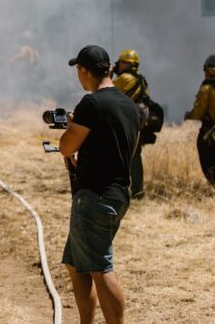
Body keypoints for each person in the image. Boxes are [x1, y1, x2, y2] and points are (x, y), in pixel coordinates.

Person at [59, 44, 140, 324]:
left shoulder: (90, 104)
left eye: (78, 71)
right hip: (117, 194)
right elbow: (126, 151)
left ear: (84, 71)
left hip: (95, 197)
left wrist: (71, 127)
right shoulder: (129, 106)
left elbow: (66, 146)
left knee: (100, 268)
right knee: (75, 263)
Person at [183, 54, 215, 186]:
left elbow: (198, 112)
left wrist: (188, 115)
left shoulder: (206, 88)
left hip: (210, 132)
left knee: (208, 164)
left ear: (207, 70)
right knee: (214, 162)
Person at [112, 49, 150, 199]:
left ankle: (119, 190)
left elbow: (104, 90)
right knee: (135, 157)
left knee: (120, 156)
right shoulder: (141, 79)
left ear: (126, 63)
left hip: (123, 122)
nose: (118, 65)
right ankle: (138, 190)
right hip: (137, 123)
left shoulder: (124, 78)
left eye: (120, 62)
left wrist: (110, 74)